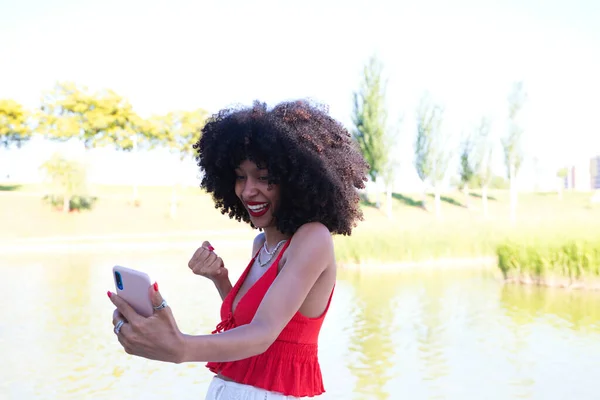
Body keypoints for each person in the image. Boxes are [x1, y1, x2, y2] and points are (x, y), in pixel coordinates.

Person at [108, 100, 369, 399]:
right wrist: (221, 280)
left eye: (263, 177)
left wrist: (180, 346)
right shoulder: (262, 244)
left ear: (296, 181)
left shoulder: (313, 239)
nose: (247, 190)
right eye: (240, 176)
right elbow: (248, 323)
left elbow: (263, 334)